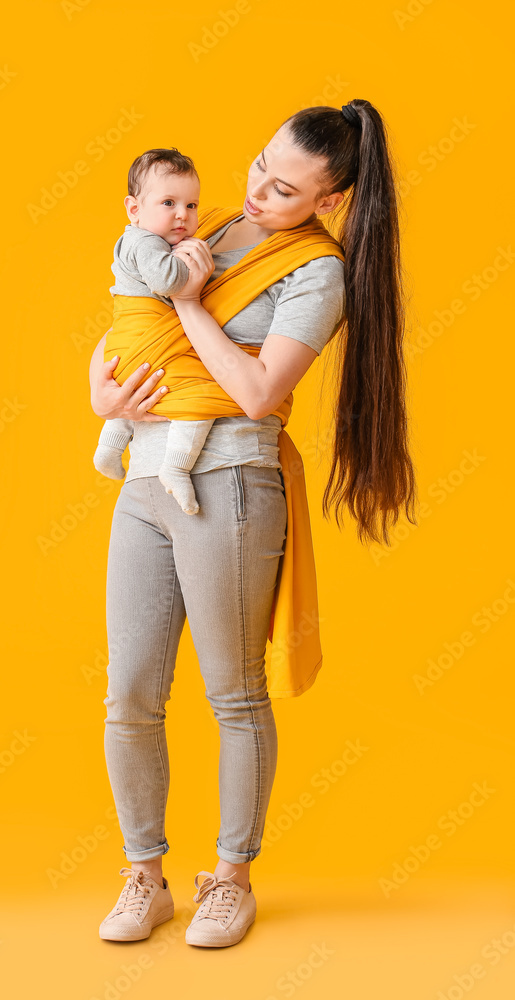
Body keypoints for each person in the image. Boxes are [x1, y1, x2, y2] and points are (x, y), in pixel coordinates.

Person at [88, 99, 417, 948]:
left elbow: (262, 392)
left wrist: (193, 304)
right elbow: (131, 323)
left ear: (330, 200)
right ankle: (143, 874)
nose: (256, 192)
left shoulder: (316, 271)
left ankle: (230, 877)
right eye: (257, 169)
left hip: (232, 477)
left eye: (284, 188)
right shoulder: (212, 223)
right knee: (128, 695)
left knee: (232, 694)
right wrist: (100, 396)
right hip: (146, 478)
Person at [93, 147, 219, 516]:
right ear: (134, 210)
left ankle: (109, 448)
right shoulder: (144, 241)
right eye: (168, 202)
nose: (183, 214)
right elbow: (168, 281)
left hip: (129, 341)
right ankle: (177, 466)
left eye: (192, 205)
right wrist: (191, 267)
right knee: (204, 394)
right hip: (142, 334)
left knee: (134, 387)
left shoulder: (149, 240)